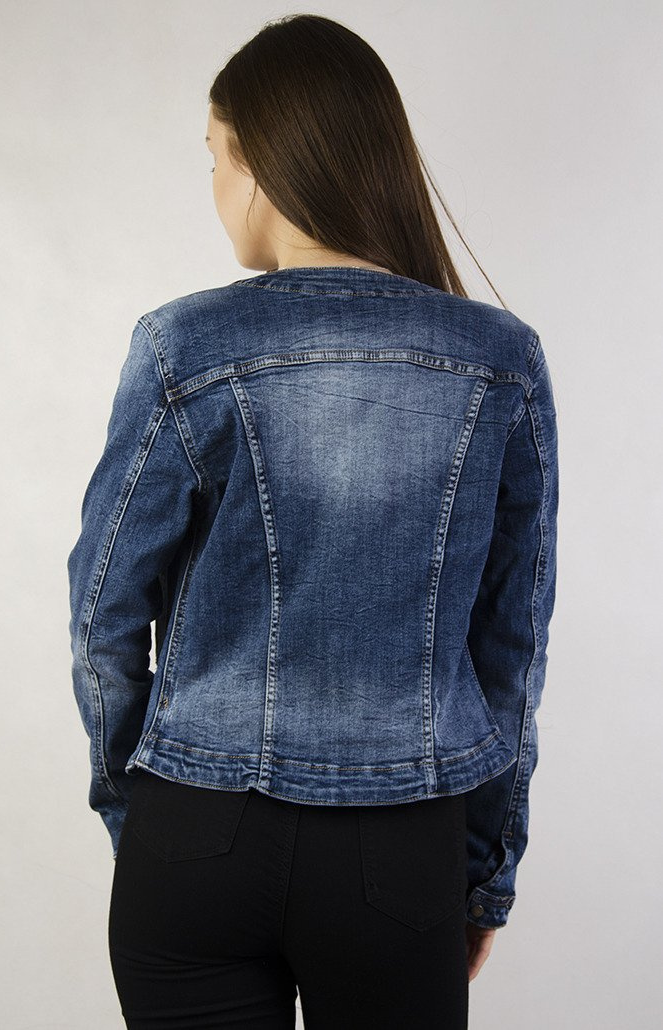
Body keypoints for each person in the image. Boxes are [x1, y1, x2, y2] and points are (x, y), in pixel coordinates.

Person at [66, 13, 559, 1030]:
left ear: (256, 163)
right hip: (401, 852)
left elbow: (102, 619)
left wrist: (137, 807)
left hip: (194, 832)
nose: (214, 187)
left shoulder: (182, 345)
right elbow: (512, 648)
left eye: (213, 157)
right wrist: (483, 870)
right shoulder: (500, 360)